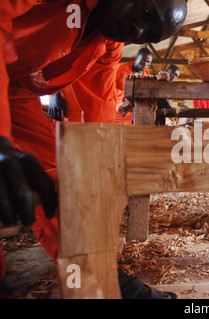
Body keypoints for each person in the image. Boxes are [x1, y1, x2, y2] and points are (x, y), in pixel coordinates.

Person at [0, 0, 187, 299]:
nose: (136, 31)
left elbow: (97, 104)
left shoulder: (107, 45)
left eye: (147, 37)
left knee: (56, 181)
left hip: (15, 89)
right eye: (146, 14)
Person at [115, 48, 153, 125]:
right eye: (143, 60)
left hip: (133, 115)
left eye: (148, 62)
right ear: (136, 58)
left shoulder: (147, 77)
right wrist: (124, 97)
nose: (145, 64)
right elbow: (109, 87)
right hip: (116, 111)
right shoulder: (119, 68)